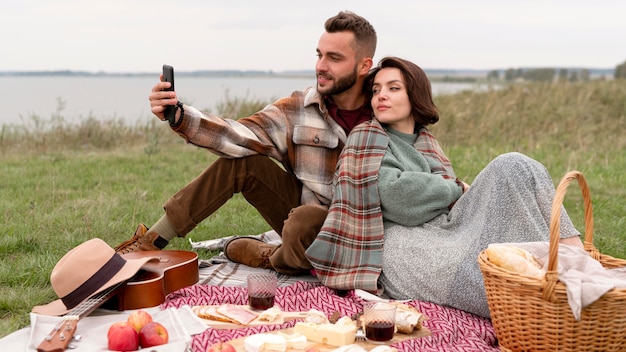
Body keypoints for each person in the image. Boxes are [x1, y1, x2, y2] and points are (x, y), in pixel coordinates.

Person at [305, 56, 584, 318]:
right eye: (376, 90)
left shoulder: (428, 143)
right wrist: (457, 188)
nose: (381, 96)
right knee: (465, 267)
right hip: (392, 242)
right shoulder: (365, 138)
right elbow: (398, 198)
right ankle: (537, 302)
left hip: (444, 230)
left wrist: (456, 194)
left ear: (415, 95)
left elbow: (447, 206)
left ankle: (574, 257)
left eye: (393, 88)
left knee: (513, 165)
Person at [113, 11, 377, 276]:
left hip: (364, 231)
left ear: (364, 66)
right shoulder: (299, 108)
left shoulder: (387, 110)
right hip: (306, 223)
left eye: (334, 58)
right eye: (319, 55)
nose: (321, 66)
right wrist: (180, 116)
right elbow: (240, 134)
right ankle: (150, 243)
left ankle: (273, 257)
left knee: (304, 223)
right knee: (249, 167)